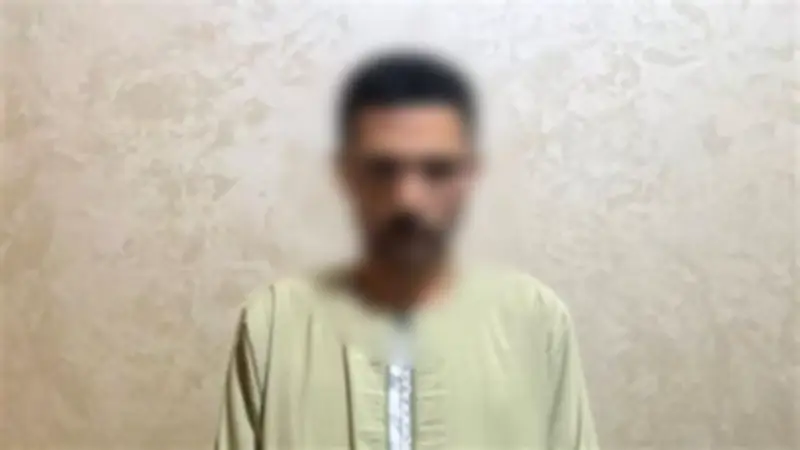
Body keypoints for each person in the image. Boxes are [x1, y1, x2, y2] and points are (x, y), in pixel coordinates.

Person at [215, 50, 599, 450]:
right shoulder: (275, 323)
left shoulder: (533, 321)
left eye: (437, 169)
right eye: (383, 169)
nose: (408, 199)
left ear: (469, 174)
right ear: (347, 173)